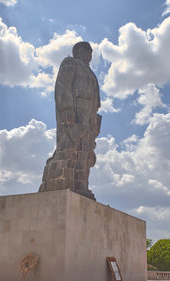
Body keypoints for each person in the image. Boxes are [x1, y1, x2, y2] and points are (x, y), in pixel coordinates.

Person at [39, 41, 101, 200]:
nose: (89, 53)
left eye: (91, 51)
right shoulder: (70, 63)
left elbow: (96, 101)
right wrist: (67, 109)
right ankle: (64, 183)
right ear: (77, 51)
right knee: (70, 146)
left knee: (85, 152)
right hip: (74, 109)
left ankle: (81, 185)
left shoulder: (91, 73)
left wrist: (95, 123)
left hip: (89, 114)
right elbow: (63, 86)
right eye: (86, 49)